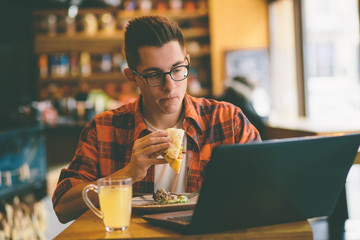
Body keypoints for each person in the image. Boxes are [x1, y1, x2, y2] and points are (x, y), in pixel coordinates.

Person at [52, 15, 261, 223]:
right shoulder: (102, 129)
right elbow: (63, 208)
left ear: (187, 62)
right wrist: (127, 174)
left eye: (177, 69)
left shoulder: (228, 120)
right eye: (154, 75)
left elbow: (266, 185)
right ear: (132, 77)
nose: (169, 86)